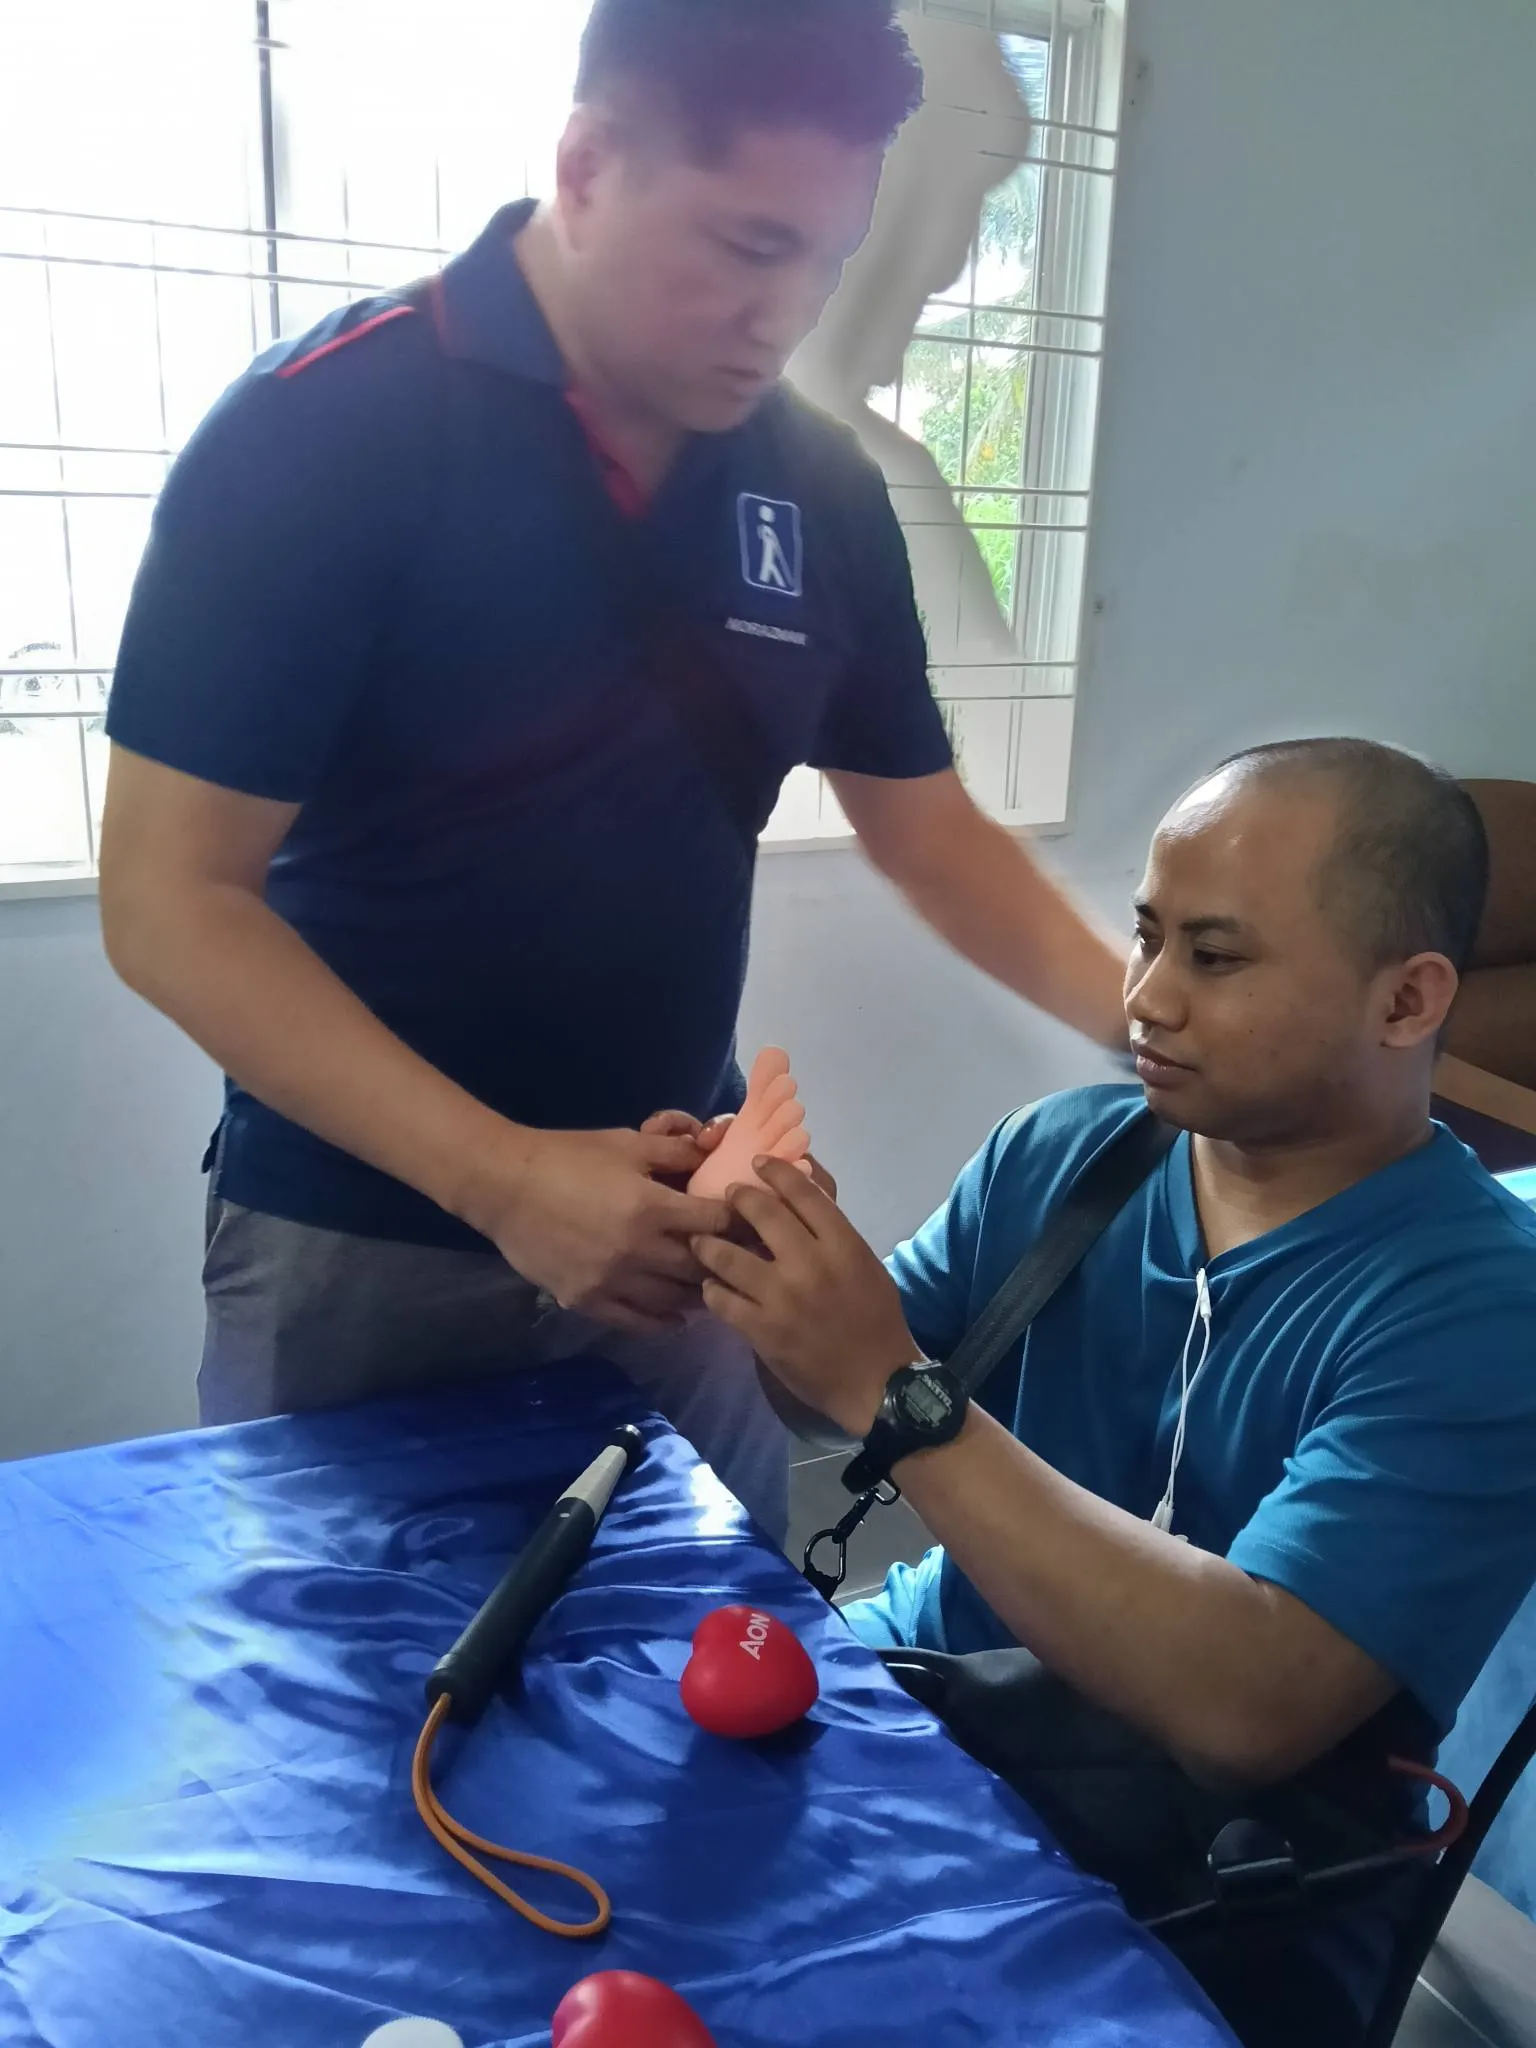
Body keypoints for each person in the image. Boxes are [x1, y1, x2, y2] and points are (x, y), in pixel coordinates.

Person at [96, 0, 1128, 1541]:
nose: (783, 314)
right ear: (586, 165)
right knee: (341, 1726)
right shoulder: (324, 436)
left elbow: (931, 834)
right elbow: (169, 900)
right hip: (357, 1242)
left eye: (828, 261)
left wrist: (1159, 1029)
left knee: (699, 1703)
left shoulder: (823, 492)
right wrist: (503, 1178)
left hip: (677, 1235)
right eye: (745, 244)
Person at [692, 737, 1536, 2039]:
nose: (1147, 997)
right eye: (1145, 938)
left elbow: (1244, 1709)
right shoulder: (1065, 1157)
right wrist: (771, 1283)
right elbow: (831, 1405)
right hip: (932, 1705)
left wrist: (888, 1385)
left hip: (1202, 1869)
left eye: (1215, 956)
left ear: (1408, 1001)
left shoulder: (1480, 1307)